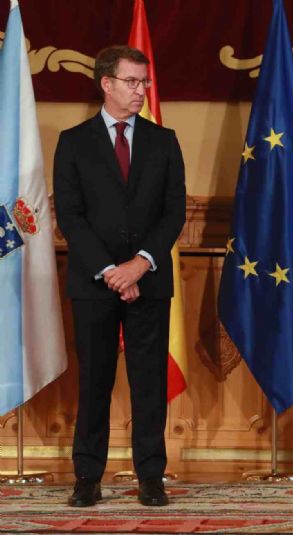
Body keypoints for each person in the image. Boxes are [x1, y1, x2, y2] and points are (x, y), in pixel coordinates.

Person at [53, 45, 186, 507]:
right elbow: (70, 216)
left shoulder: (164, 141)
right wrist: (111, 271)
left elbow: (174, 212)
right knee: (95, 381)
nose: (141, 90)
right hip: (95, 283)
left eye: (144, 81)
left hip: (149, 279)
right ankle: (87, 477)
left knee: (149, 382)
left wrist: (139, 264)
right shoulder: (74, 142)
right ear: (106, 84)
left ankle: (151, 477)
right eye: (132, 81)